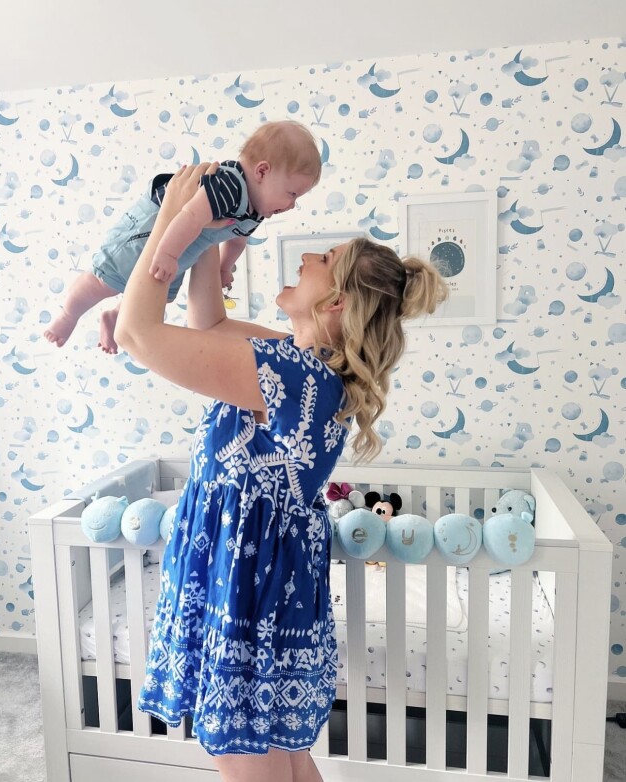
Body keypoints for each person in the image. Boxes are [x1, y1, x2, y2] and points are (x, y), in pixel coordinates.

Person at [114, 162, 448, 782]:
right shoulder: (301, 367)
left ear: (336, 301)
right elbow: (209, 327)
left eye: (325, 257)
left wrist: (169, 226)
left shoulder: (290, 374)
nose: (309, 257)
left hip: (245, 576)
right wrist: (207, 241)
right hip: (261, 570)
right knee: (279, 753)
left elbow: (137, 333)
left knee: (246, 753)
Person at [44, 120, 321, 353]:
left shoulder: (256, 211)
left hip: (184, 247)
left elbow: (237, 240)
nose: (291, 205)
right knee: (105, 280)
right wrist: (167, 254)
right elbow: (189, 215)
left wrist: (224, 267)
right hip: (151, 230)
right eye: (292, 193)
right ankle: (68, 314)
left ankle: (115, 315)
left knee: (157, 297)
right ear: (262, 171)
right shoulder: (230, 185)